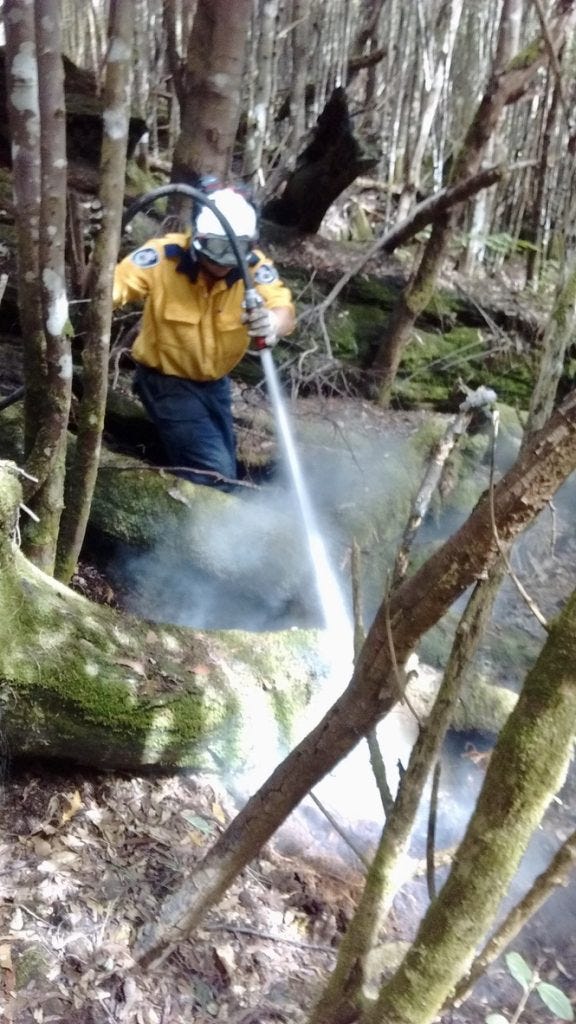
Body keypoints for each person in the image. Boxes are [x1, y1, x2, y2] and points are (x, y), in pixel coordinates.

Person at [113, 184, 295, 491]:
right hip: (166, 381)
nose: (222, 264)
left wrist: (272, 323)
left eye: (231, 251)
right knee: (214, 474)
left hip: (215, 384)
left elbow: (284, 309)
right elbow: (114, 286)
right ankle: (204, 529)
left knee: (226, 464)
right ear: (197, 238)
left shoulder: (254, 268)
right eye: (215, 250)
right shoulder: (162, 257)